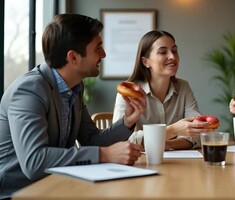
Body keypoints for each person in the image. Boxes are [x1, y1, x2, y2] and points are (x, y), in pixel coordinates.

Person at [0, 14, 146, 199]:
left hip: (56, 187)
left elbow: (92, 140)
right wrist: (104, 154)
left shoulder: (75, 86)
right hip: (17, 194)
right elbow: (34, 161)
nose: (104, 54)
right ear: (73, 57)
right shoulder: (29, 90)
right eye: (98, 47)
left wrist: (127, 121)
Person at [112, 30, 211, 150]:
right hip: (140, 165)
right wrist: (173, 130)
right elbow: (120, 141)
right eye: (163, 52)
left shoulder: (183, 87)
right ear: (145, 62)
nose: (172, 57)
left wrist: (165, 144)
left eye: (174, 51)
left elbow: (198, 132)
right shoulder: (127, 93)